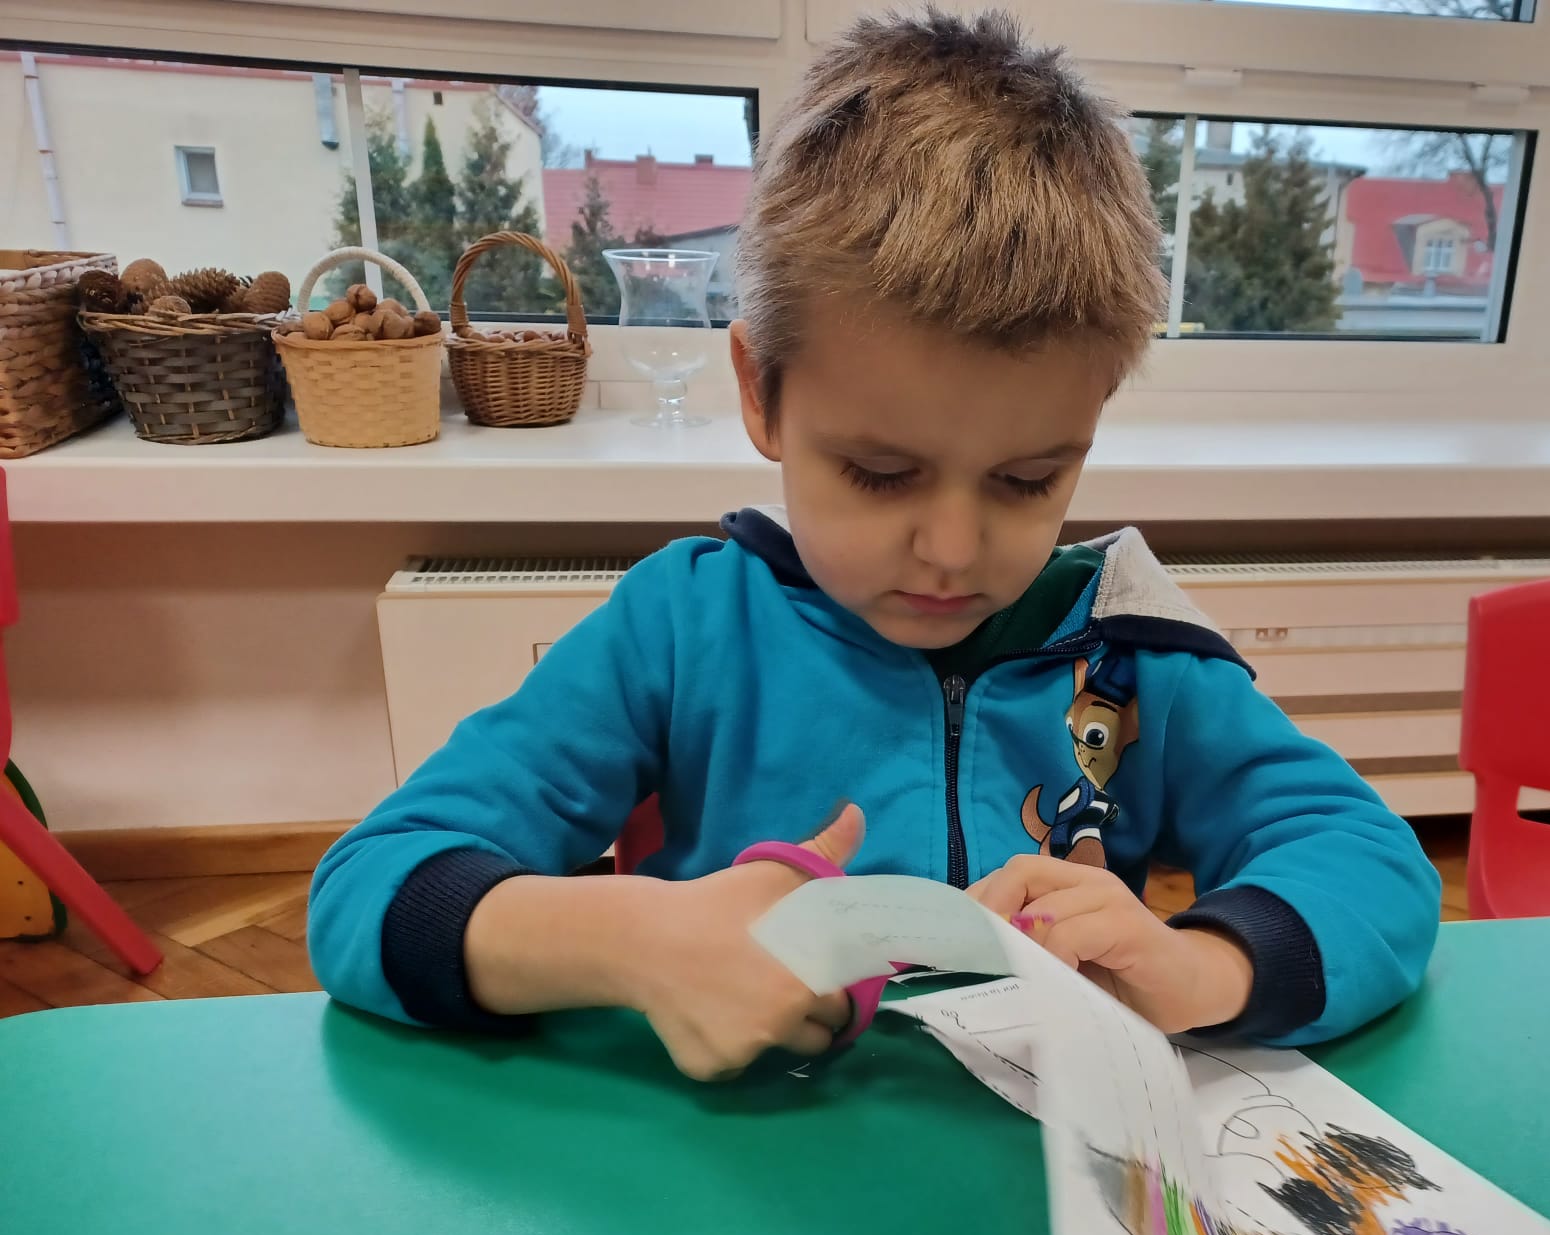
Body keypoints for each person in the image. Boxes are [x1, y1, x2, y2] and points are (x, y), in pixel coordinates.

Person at [308, 8, 1440, 1081]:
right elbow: (367, 887)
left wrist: (1205, 967)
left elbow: (1374, 863)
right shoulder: (681, 630)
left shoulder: (1134, 655)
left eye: (1027, 480)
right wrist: (624, 942)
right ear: (760, 394)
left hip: (1040, 1180)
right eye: (879, 474)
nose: (951, 549)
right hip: (738, 1173)